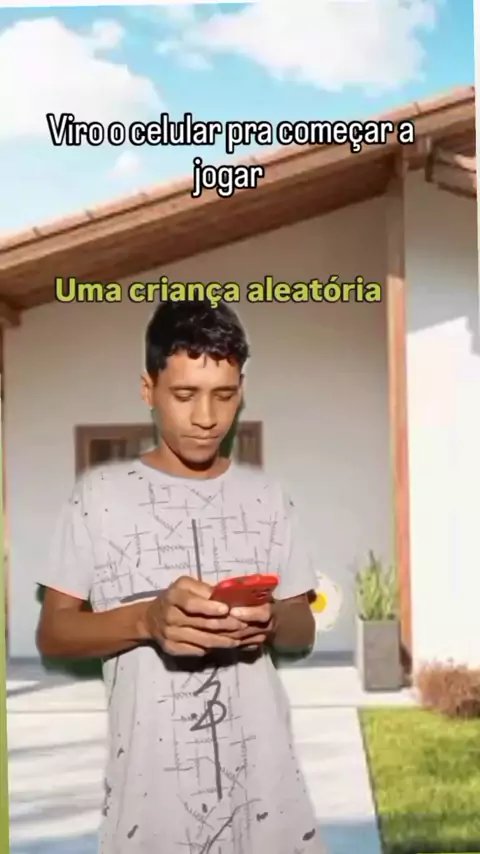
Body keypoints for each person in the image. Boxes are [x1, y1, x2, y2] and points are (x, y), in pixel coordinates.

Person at [36, 299, 326, 854]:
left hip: (266, 796)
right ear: (148, 389)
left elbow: (302, 627)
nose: (206, 417)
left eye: (225, 394)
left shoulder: (268, 496)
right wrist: (146, 621)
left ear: (242, 390)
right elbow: (54, 633)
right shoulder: (98, 496)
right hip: (150, 806)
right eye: (185, 394)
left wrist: (268, 622)